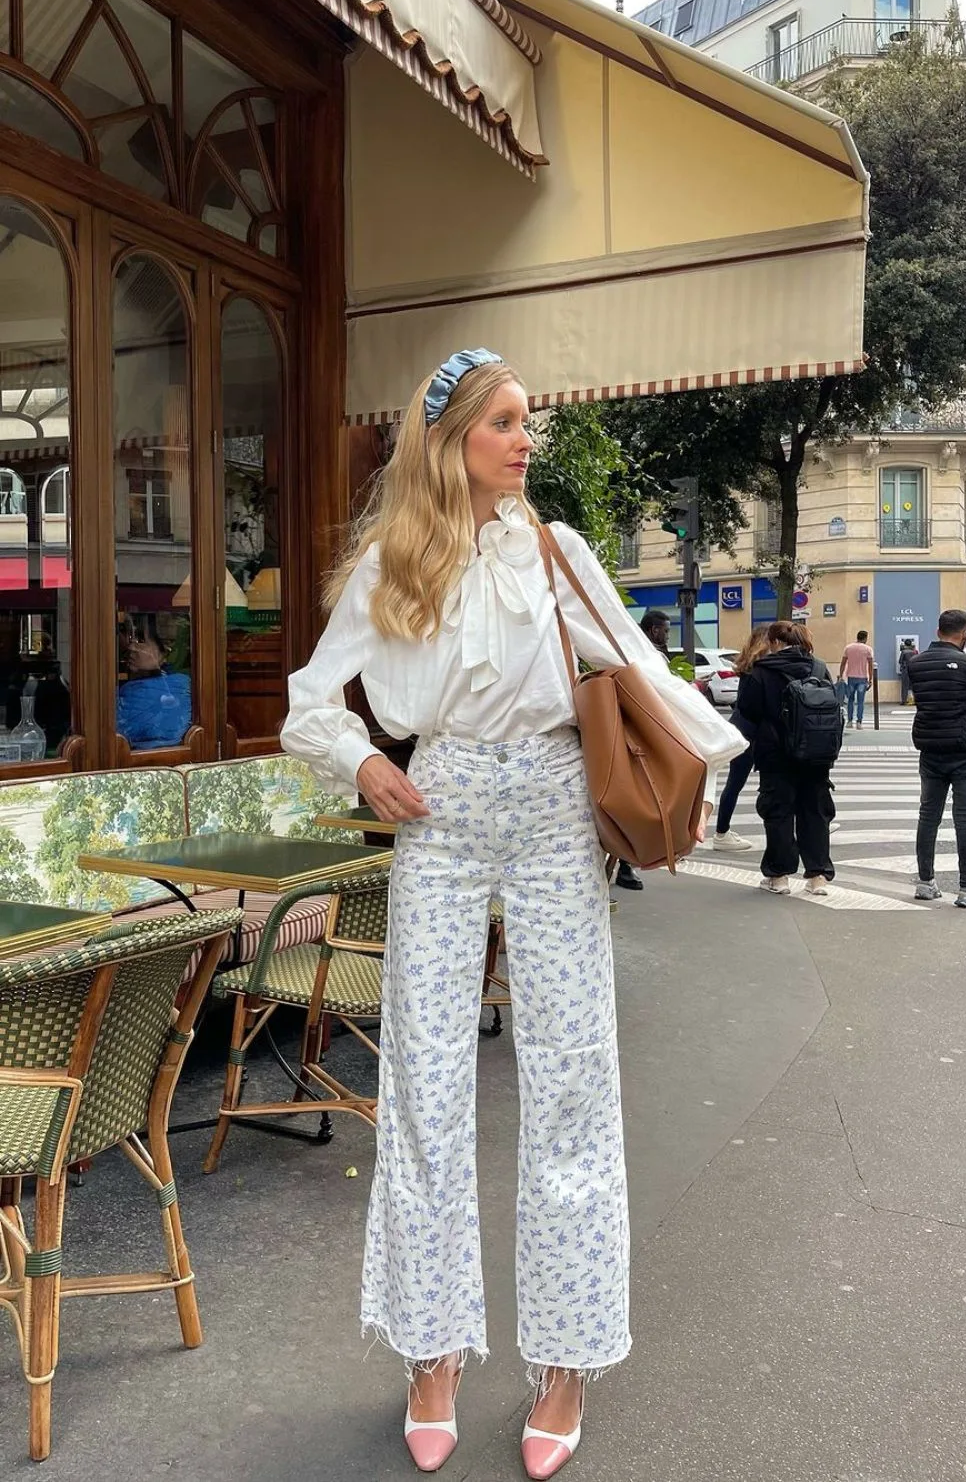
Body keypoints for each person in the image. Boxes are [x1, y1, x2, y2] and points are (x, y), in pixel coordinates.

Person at [280, 349, 745, 1479]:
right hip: (438, 807)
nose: (525, 439)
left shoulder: (555, 551)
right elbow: (306, 702)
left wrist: (717, 762)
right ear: (450, 441)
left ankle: (567, 1359)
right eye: (504, 422)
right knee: (425, 1081)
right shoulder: (392, 562)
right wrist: (360, 764)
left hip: (548, 808)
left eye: (528, 422)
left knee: (573, 1076)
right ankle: (431, 1353)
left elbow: (633, 665)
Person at [735, 620, 839, 896]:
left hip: (776, 754)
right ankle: (818, 876)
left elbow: (747, 710)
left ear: (774, 643)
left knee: (778, 812)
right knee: (815, 813)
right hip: (815, 753)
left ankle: (779, 876)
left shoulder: (762, 671)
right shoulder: (818, 667)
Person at [907, 608, 966, 908]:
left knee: (928, 816)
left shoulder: (916, 663)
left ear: (938, 632)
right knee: (965, 819)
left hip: (931, 751)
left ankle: (925, 882)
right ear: (965, 634)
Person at [615, 610, 672, 891]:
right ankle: (625, 863)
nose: (667, 636)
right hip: (637, 735)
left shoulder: (646, 652)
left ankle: (625, 863)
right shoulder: (643, 655)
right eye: (665, 630)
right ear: (652, 630)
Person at [712, 624, 771, 852]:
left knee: (735, 783)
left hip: (741, 728)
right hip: (752, 732)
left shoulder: (748, 665)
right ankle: (721, 833)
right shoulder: (761, 667)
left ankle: (722, 831)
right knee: (744, 782)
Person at [116, 631, 191, 749]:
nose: (131, 647)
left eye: (141, 641)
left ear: (164, 651)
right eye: (131, 639)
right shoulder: (183, 683)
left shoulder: (178, 688)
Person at [838, 630, 873, 729]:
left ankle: (849, 721)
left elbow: (843, 663)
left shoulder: (848, 648)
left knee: (850, 700)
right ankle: (859, 722)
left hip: (851, 677)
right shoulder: (868, 649)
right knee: (861, 701)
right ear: (865, 638)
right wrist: (870, 679)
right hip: (862, 678)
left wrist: (841, 675)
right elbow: (870, 665)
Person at [898, 638, 917, 705]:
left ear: (905, 644)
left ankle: (904, 700)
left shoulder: (904, 652)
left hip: (905, 669)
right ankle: (915, 700)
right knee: (913, 686)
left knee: (904, 686)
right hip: (913, 669)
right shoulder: (914, 651)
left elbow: (900, 661)